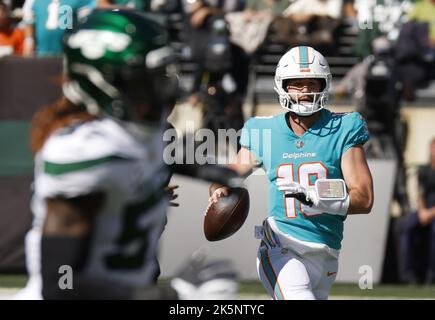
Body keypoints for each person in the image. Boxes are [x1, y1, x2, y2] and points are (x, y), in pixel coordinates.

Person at [15, 9, 241, 300]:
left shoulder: (137, 133)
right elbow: (61, 286)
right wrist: (170, 297)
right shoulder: (84, 154)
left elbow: (153, 149)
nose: (162, 89)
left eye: (161, 75)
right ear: (102, 82)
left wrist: (207, 170)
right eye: (143, 79)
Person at [209, 46, 374, 300]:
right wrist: (218, 188)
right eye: (297, 83)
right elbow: (230, 176)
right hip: (281, 247)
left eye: (312, 83)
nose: (306, 90)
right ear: (283, 86)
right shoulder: (263, 130)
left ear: (324, 84)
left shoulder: (345, 127)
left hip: (327, 253)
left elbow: (364, 198)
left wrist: (317, 195)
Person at [398, 138, 435, 285]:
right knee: (405, 227)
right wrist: (421, 212)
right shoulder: (423, 170)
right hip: (423, 211)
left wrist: (430, 213)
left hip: (432, 213)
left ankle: (431, 275)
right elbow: (419, 193)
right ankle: (407, 275)